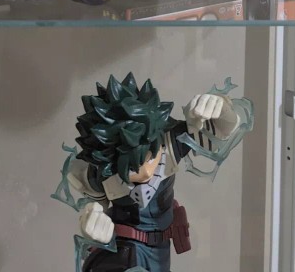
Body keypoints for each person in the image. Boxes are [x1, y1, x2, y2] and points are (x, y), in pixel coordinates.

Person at [66, 73, 244, 272]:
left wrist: (221, 108)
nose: (145, 172)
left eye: (151, 157)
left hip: (161, 248)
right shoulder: (102, 171)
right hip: (126, 251)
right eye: (132, 168)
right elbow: (93, 209)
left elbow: (223, 132)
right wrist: (91, 226)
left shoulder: (170, 142)